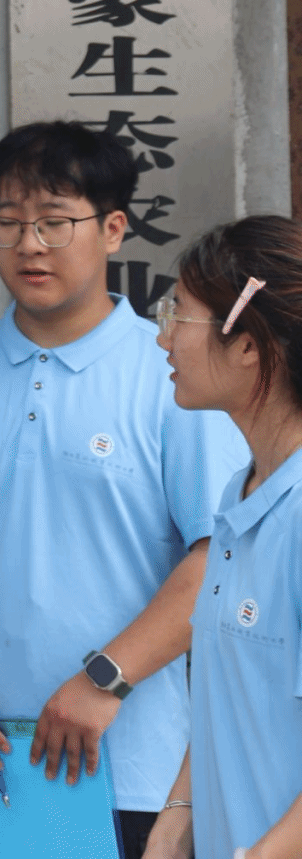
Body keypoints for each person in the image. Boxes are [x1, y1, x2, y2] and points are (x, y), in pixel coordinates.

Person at [0, 122, 244, 859]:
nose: (29, 245)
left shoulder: (171, 375)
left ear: (113, 228)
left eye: (54, 221)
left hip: (123, 761)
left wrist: (105, 681)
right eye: (8, 222)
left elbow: (220, 552)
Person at [142, 217, 302, 859]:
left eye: (178, 314)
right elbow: (230, 693)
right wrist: (177, 820)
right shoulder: (241, 490)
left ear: (248, 346)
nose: (163, 338)